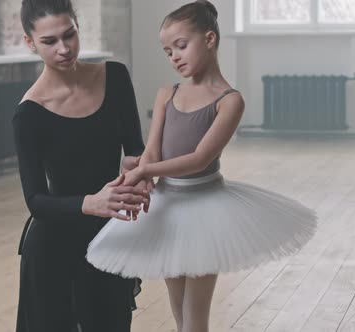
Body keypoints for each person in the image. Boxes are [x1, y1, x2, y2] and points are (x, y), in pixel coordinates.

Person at [86, 1, 318, 331]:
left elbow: (200, 159)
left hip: (205, 209)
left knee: (195, 316)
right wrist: (141, 176)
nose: (174, 57)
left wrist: (145, 171)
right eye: (168, 51)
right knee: (178, 307)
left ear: (209, 39)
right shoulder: (167, 93)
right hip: (167, 208)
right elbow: (151, 151)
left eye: (181, 46)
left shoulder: (230, 101)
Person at [12, 0, 151, 331]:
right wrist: (93, 202)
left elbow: (135, 150)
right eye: (49, 41)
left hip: (110, 239)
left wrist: (141, 172)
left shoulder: (115, 77)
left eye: (69, 35)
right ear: (30, 42)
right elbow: (36, 201)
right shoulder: (28, 114)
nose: (63, 48)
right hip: (53, 249)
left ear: (77, 26)